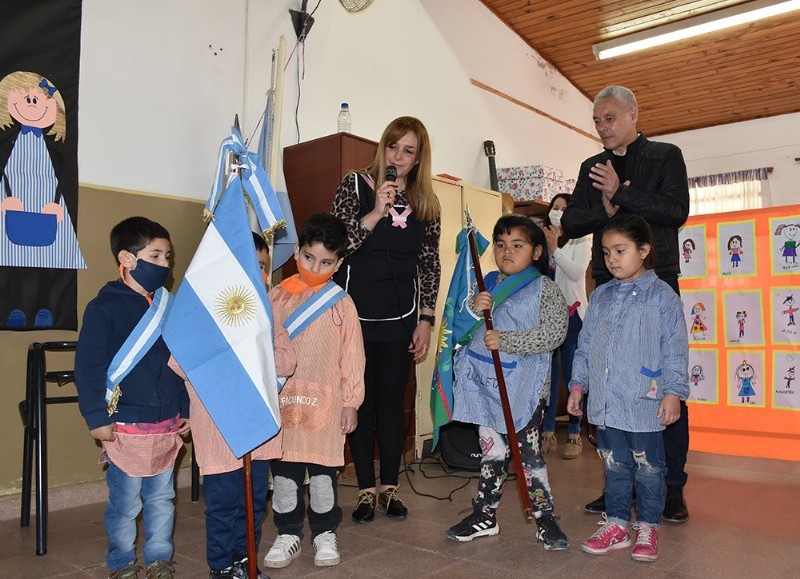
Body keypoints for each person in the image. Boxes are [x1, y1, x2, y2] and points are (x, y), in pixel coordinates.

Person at [561, 85, 691, 523]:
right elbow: (571, 221)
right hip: (608, 283)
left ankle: (671, 488)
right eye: (597, 121)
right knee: (609, 378)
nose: (602, 128)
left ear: (634, 114)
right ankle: (617, 483)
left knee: (660, 384)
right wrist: (607, 205)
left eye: (610, 118)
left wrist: (623, 195)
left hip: (657, 280)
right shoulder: (590, 166)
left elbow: (676, 211)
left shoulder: (665, 156)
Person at [331, 116, 441, 522]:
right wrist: (376, 211)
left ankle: (390, 487)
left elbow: (429, 264)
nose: (398, 155)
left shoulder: (427, 202)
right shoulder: (355, 185)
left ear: (417, 158)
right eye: (393, 146)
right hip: (354, 315)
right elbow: (337, 246)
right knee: (359, 401)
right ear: (383, 148)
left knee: (392, 404)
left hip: (400, 318)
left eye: (408, 150)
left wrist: (426, 318)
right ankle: (364, 489)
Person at [168, 232, 296, 579]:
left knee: (253, 502)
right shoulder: (202, 315)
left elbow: (286, 361)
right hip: (218, 431)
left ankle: (245, 559)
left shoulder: (266, 311)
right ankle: (222, 566)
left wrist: (256, 350)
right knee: (223, 505)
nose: (257, 275)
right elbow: (182, 363)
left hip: (257, 430)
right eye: (248, 266)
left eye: (262, 268)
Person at [567, 214, 689, 562]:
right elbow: (586, 346)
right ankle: (617, 523)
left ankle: (648, 526)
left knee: (650, 468)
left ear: (644, 250)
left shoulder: (663, 297)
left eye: (620, 250)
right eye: (606, 253)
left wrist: (673, 392)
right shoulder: (602, 296)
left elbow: (676, 349)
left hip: (644, 402)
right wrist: (578, 385)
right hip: (607, 402)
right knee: (614, 465)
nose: (612, 260)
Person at [445, 214, 570, 550]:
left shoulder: (544, 287)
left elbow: (555, 333)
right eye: (500, 245)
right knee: (493, 452)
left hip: (524, 390)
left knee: (528, 456)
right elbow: (463, 328)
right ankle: (484, 515)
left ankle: (544, 518)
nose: (506, 252)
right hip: (486, 388)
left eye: (518, 245)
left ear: (537, 252)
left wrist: (508, 340)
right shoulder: (487, 284)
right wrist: (474, 307)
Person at [75, 217, 189, 579]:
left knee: (162, 499)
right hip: (124, 424)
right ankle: (122, 562)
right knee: (125, 505)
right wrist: (96, 416)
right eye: (155, 255)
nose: (164, 264)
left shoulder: (170, 306)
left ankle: (158, 558)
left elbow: (181, 362)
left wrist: (184, 407)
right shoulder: (104, 307)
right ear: (127, 258)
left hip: (166, 420)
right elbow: (89, 367)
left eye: (168, 256)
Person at [263, 213, 365, 568]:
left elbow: (352, 356)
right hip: (283, 400)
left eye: (326, 262)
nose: (315, 267)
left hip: (328, 401)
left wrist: (351, 402)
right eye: (309, 257)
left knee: (323, 473)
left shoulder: (342, 303)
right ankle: (288, 532)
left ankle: (324, 532)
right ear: (296, 252)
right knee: (286, 473)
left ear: (338, 264)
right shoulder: (276, 296)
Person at [541, 193, 592, 459]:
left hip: (573, 316)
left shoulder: (582, 238)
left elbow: (575, 272)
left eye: (563, 209)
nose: (557, 212)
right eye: (555, 208)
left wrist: (555, 249)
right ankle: (547, 431)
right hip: (550, 318)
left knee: (574, 376)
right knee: (549, 377)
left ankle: (574, 434)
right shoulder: (545, 238)